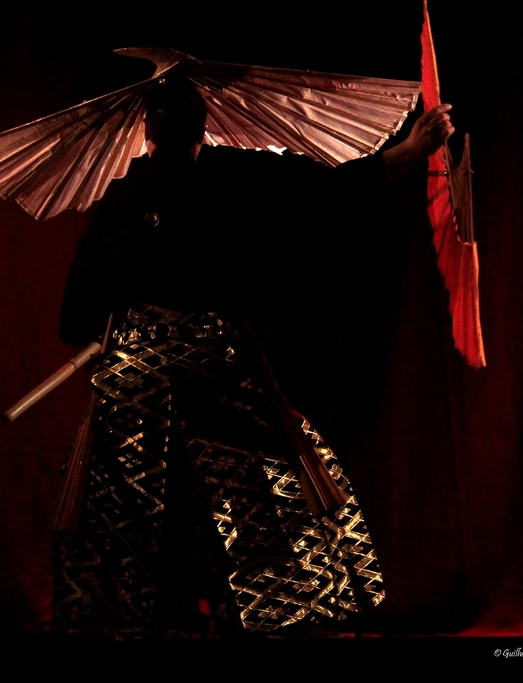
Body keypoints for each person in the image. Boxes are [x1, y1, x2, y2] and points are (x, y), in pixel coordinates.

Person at [53, 78, 453, 638]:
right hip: (217, 374)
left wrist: (128, 325)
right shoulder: (233, 181)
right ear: (203, 130)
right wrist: (410, 153)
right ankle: (264, 617)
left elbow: (76, 317)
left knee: (127, 521)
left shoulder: (120, 200)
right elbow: (324, 196)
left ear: (145, 134)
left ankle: (130, 624)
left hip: (134, 379)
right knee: (260, 501)